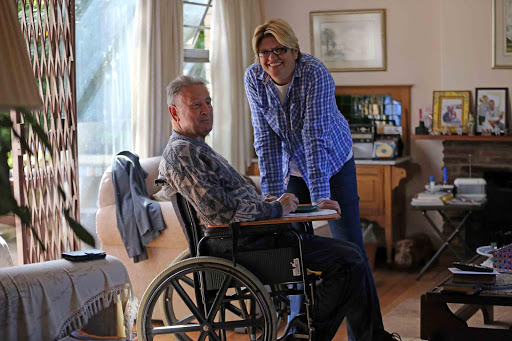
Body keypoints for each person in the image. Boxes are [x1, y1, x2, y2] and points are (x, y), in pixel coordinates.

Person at [157, 75, 400, 341]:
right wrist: (275, 210)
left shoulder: (196, 148)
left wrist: (308, 207)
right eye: (196, 105)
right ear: (174, 112)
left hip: (254, 235)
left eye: (208, 102)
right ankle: (307, 334)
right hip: (244, 245)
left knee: (350, 254)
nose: (206, 110)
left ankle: (338, 334)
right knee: (350, 259)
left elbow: (230, 204)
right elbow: (220, 213)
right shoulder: (183, 153)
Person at [243, 18, 385, 339]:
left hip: (333, 163)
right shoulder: (254, 78)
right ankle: (299, 331)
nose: (272, 58)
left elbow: (314, 135)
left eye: (279, 49)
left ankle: (369, 336)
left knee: (351, 251)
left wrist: (321, 196)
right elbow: (264, 138)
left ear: (295, 50)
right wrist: (272, 195)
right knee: (290, 253)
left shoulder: (314, 73)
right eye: (265, 52)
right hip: (293, 168)